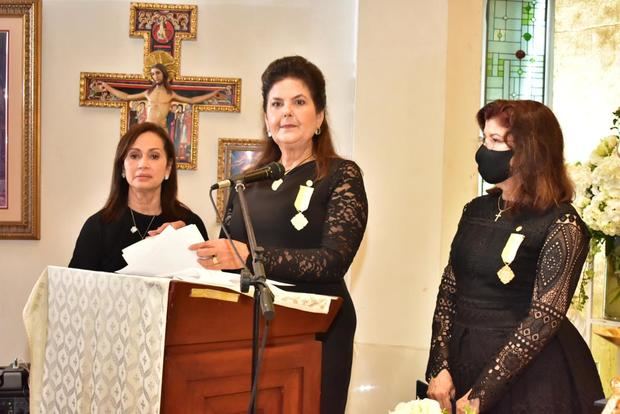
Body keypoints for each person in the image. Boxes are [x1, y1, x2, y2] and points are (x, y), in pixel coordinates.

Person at [189, 55, 368, 414]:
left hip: (315, 332)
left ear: (319, 117)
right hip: (244, 331)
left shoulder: (340, 175)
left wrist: (249, 257)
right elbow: (225, 255)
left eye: (299, 102)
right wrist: (183, 240)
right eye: (277, 104)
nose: (287, 112)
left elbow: (332, 262)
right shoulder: (247, 181)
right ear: (267, 119)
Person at [425, 100, 604, 413]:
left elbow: (544, 318)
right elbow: (450, 288)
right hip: (463, 364)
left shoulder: (562, 223)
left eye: (495, 141)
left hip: (529, 379)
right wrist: (439, 365)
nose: (483, 150)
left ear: (530, 153)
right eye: (483, 138)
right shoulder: (476, 210)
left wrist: (485, 390)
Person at [69, 122, 208, 272]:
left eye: (154, 156)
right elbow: (75, 288)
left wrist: (180, 242)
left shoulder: (188, 225)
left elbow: (207, 288)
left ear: (168, 167)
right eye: (134, 156)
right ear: (123, 167)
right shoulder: (97, 226)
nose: (143, 164)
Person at [97, 64, 223, 128]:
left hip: (161, 128)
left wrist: (212, 94)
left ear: (164, 74)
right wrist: (107, 87)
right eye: (152, 74)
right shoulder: (148, 93)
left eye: (157, 73)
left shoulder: (170, 94)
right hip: (147, 127)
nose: (155, 76)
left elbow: (191, 100)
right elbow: (126, 97)